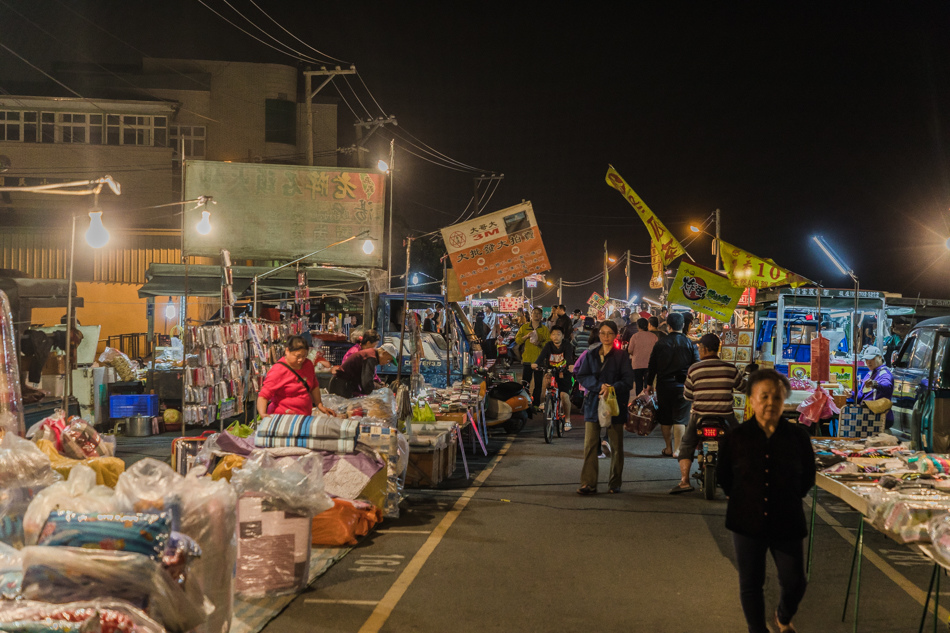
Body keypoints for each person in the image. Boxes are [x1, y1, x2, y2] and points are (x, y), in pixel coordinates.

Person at [718, 369, 815, 633]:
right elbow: (724, 475)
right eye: (764, 396)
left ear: (785, 400)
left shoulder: (798, 438)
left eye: (777, 397)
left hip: (787, 519)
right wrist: (741, 497)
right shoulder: (736, 437)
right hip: (746, 519)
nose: (770, 402)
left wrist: (791, 496)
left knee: (795, 581)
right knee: (751, 582)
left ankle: (783, 616)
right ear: (751, 399)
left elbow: (808, 476)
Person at [672, 333, 748, 494]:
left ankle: (684, 481)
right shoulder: (730, 368)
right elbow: (744, 387)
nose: (698, 350)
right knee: (739, 443)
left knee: (687, 444)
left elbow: (687, 395)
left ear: (705, 349)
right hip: (725, 416)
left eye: (699, 348)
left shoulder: (694, 369)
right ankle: (735, 482)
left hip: (700, 415)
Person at [575, 321, 635, 494]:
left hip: (614, 405)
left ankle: (615, 483)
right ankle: (588, 483)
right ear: (598, 334)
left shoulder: (621, 356)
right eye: (603, 333)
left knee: (616, 446)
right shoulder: (591, 354)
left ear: (615, 335)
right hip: (593, 403)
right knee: (590, 445)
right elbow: (582, 375)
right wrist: (599, 386)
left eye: (610, 333)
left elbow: (628, 381)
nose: (606, 337)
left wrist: (612, 387)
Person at [645, 312, 699, 457]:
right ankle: (678, 450)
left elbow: (652, 366)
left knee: (665, 418)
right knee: (680, 418)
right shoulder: (690, 344)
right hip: (683, 386)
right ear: (682, 325)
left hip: (664, 385)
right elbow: (697, 366)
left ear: (668, 326)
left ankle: (668, 448)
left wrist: (649, 384)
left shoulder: (660, 343)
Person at [257, 335, 336, 417]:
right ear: (287, 351)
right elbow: (263, 395)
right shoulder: (278, 370)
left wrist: (319, 405)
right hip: (283, 417)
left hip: (304, 415)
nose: (301, 360)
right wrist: (263, 414)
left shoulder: (308, 364)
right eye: (297, 356)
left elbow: (314, 385)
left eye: (304, 356)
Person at [533, 326, 576, 431]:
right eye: (553, 334)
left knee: (564, 395)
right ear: (550, 336)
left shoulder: (567, 345)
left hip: (564, 373)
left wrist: (570, 365)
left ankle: (568, 421)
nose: (556, 337)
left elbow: (569, 357)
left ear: (563, 336)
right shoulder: (548, 345)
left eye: (558, 334)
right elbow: (541, 356)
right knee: (545, 381)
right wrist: (536, 363)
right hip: (551, 371)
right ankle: (544, 402)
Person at [328, 343, 398, 398]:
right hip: (341, 386)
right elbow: (367, 384)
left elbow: (368, 378)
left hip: (344, 385)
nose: (387, 363)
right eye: (389, 360)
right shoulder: (371, 358)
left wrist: (378, 384)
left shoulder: (372, 355)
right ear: (384, 353)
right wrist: (378, 388)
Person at [850, 345, 894, 429]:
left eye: (872, 359)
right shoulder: (869, 374)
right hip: (867, 415)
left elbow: (887, 387)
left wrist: (875, 384)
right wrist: (851, 394)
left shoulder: (884, 374)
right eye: (867, 360)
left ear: (880, 358)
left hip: (878, 416)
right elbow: (860, 396)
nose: (869, 362)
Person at [515, 307, 551, 408]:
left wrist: (539, 343)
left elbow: (548, 343)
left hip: (539, 360)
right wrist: (526, 336)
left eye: (538, 313)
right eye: (534, 313)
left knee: (538, 383)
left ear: (541, 316)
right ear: (531, 315)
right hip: (527, 359)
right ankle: (525, 403)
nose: (536, 315)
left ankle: (536, 404)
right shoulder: (524, 327)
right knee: (525, 383)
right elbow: (517, 340)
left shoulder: (544, 329)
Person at [627, 318, 658, 395]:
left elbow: (630, 350)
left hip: (637, 364)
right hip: (650, 364)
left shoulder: (635, 336)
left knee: (638, 384)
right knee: (648, 384)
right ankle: (648, 401)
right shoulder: (653, 336)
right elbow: (657, 350)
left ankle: (639, 401)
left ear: (638, 326)